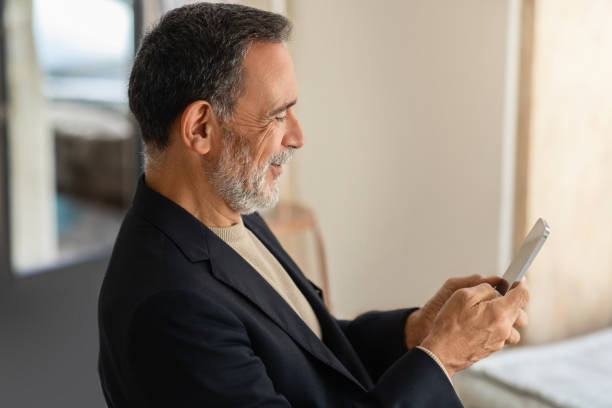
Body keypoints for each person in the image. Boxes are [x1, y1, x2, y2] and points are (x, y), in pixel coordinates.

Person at [98, 3, 530, 407]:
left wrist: (415, 331)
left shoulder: (230, 216)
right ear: (201, 128)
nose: (298, 136)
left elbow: (311, 347)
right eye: (277, 114)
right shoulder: (170, 309)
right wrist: (441, 358)